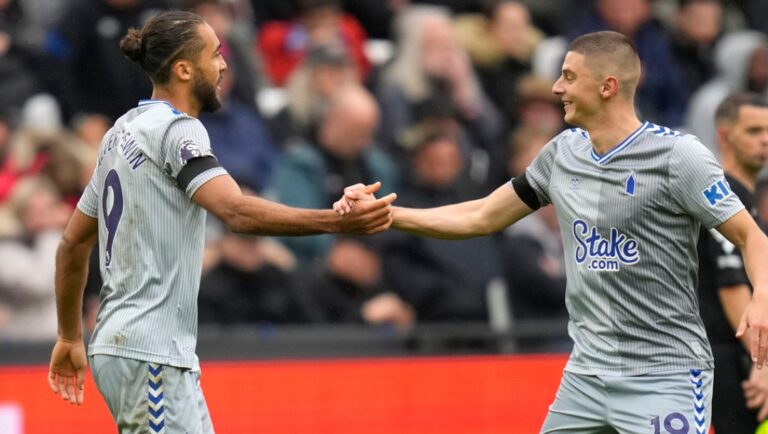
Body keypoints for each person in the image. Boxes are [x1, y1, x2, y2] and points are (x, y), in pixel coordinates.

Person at [337, 31, 768, 433]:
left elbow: (753, 237)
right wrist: (389, 214)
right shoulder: (562, 154)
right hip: (587, 375)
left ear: (608, 86)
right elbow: (482, 215)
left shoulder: (678, 156)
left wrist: (763, 299)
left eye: (569, 76)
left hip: (663, 374)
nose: (557, 88)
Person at [46, 10, 395, 433]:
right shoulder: (179, 131)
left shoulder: (120, 133)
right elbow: (235, 211)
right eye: (215, 54)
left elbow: (71, 246)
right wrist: (337, 222)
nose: (225, 64)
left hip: (129, 346)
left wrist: (69, 336)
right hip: (151, 352)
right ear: (183, 68)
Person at [696, 93, 768, 432]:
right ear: (725, 136)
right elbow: (733, 290)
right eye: (754, 131)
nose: (765, 140)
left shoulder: (748, 202)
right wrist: (764, 363)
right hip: (728, 361)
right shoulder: (724, 198)